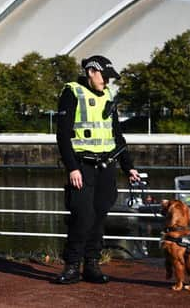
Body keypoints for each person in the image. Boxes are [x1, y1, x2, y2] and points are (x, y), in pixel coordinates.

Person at [53, 55, 141, 284]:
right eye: (104, 77)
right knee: (82, 217)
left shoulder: (108, 96)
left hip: (106, 167)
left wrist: (128, 167)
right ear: (91, 71)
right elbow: (62, 135)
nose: (107, 82)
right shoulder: (72, 92)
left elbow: (117, 135)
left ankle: (91, 265)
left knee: (99, 217)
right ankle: (72, 266)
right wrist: (72, 168)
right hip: (82, 167)